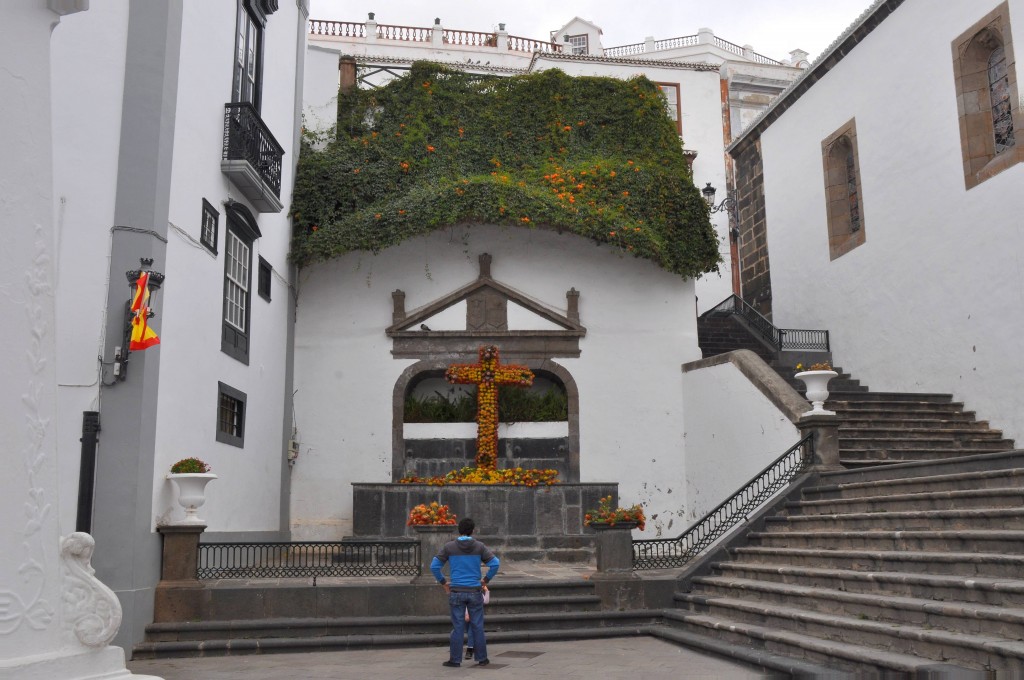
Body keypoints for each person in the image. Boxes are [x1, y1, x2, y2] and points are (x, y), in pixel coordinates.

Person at [430, 517, 499, 668]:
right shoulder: (479, 547)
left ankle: (455, 660)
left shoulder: (449, 547)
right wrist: (485, 580)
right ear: (472, 531)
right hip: (475, 591)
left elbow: (434, 566)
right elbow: (495, 563)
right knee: (477, 626)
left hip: (456, 592)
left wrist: (444, 583)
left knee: (458, 627)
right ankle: (482, 659)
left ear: (459, 530)